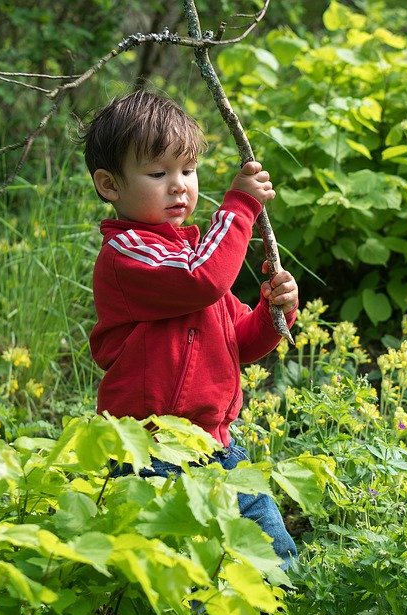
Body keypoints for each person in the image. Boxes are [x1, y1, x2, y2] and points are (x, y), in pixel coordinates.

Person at [81, 89, 299, 568]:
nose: (179, 186)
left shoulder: (191, 256)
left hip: (217, 446)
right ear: (109, 185)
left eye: (188, 170)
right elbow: (202, 279)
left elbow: (240, 343)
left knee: (272, 553)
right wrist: (240, 207)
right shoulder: (129, 254)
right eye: (158, 174)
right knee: (171, 567)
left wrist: (273, 311)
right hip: (149, 450)